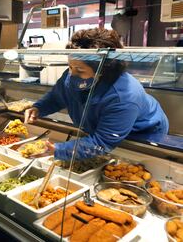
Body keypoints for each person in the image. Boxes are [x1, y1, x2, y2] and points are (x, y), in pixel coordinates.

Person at [25, 28, 169, 161]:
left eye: (79, 70)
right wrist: (38, 108)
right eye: (70, 67)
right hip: (103, 132)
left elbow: (102, 142)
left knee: (132, 161)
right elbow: (57, 97)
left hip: (142, 132)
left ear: (102, 70)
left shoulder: (124, 96)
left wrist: (58, 150)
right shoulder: (72, 74)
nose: (71, 74)